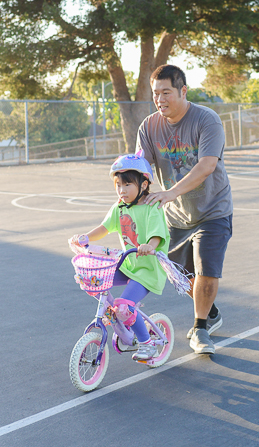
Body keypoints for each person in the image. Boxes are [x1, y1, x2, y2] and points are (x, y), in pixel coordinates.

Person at [136, 64, 233, 355]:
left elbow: (207, 165)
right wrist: (131, 190)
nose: (160, 99)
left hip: (213, 210)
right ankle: (210, 309)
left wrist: (171, 192)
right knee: (182, 276)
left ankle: (201, 328)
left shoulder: (207, 120)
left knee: (207, 270)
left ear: (182, 91)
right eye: (156, 94)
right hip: (176, 217)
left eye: (166, 92)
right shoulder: (149, 126)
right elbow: (143, 167)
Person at [70, 152, 170, 362]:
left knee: (124, 306)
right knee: (94, 282)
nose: (121, 190)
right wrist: (85, 237)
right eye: (118, 185)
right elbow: (104, 228)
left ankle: (147, 344)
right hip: (127, 265)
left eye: (127, 185)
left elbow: (157, 236)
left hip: (147, 270)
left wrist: (149, 246)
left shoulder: (153, 208)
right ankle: (123, 325)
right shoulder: (120, 207)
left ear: (143, 185)